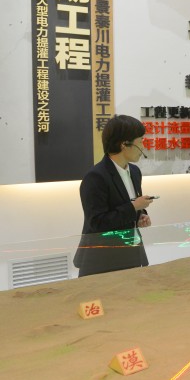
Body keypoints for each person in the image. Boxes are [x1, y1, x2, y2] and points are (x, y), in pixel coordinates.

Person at [74, 115, 154, 277]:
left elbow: (126, 207)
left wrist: (140, 215)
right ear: (124, 144)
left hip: (132, 254)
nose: (143, 147)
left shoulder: (135, 172)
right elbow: (97, 223)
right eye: (140, 142)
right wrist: (134, 207)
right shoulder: (96, 177)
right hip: (103, 260)